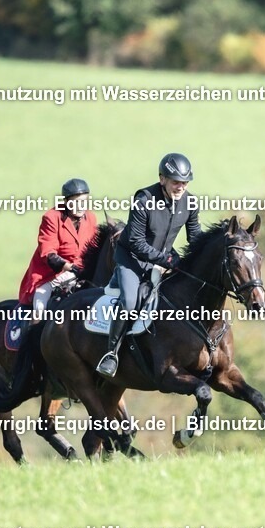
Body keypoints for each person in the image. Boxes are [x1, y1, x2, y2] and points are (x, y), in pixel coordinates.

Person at [96, 153, 200, 377]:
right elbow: (135, 242)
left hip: (162, 258)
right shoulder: (144, 200)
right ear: (162, 179)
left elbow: (195, 238)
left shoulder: (190, 203)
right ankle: (111, 354)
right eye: (175, 182)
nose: (180, 187)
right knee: (131, 302)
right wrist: (168, 260)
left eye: (184, 182)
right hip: (132, 259)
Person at [18, 178, 98, 323]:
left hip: (81, 273)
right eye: (76, 202)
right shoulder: (52, 217)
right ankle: (33, 336)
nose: (81, 206)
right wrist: (70, 267)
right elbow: (48, 253)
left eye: (84, 201)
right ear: (66, 202)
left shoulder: (91, 218)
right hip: (51, 275)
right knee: (40, 305)